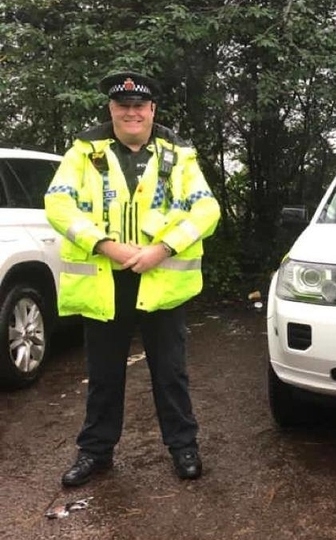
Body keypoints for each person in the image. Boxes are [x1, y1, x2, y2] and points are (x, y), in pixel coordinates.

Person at [45, 71, 221, 487]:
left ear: (151, 110)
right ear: (112, 110)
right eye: (123, 106)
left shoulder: (178, 154)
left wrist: (163, 249)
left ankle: (183, 447)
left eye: (139, 106)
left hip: (161, 280)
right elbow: (57, 203)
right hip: (105, 280)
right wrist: (106, 244)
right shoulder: (84, 152)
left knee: (171, 372)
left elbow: (206, 210)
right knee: (104, 374)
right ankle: (96, 453)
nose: (131, 113)